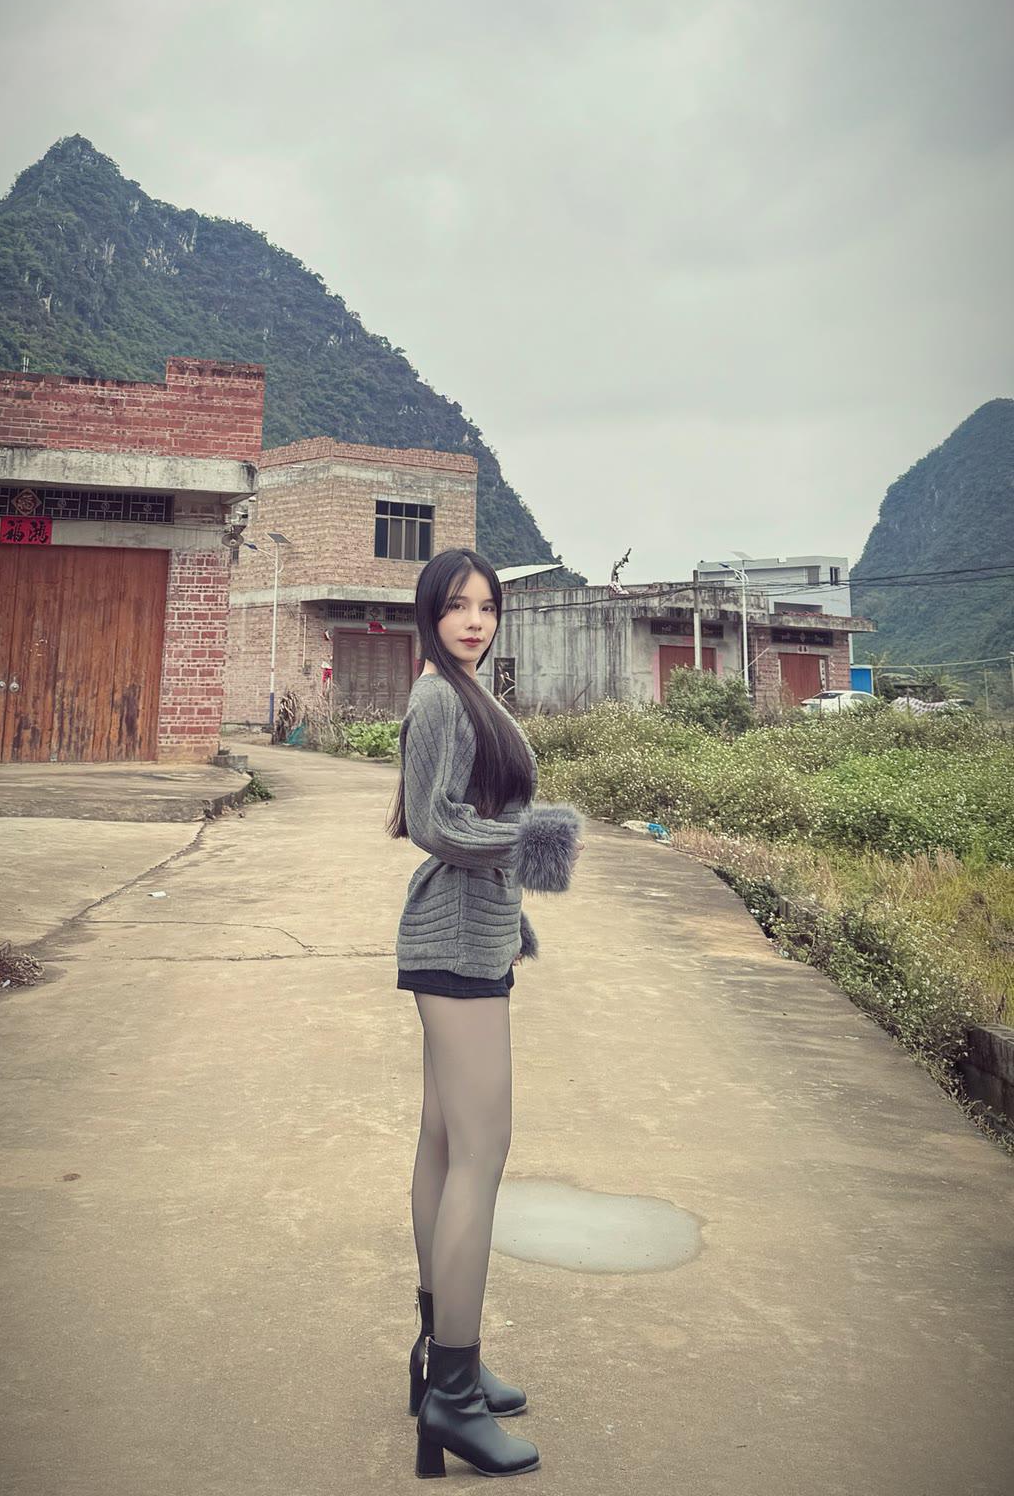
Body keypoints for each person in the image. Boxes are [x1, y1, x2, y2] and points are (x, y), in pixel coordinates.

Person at [386, 546, 584, 1478]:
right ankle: (454, 1397)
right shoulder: (437, 697)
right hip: (455, 939)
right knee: (481, 1153)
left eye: (487, 606)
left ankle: (440, 1359)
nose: (474, 620)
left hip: (472, 934)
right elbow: (433, 821)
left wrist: (512, 903)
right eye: (457, 606)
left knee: (443, 1143)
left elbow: (461, 815)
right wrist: (529, 840)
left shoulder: (466, 691)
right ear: (430, 614)